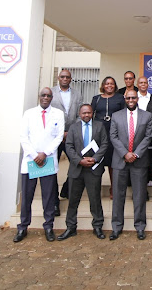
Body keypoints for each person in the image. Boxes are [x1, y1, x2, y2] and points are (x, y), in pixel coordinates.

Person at [14, 87, 65, 243]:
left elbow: (59, 137)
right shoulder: (29, 114)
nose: (46, 98)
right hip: (31, 160)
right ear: (39, 96)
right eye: (43, 95)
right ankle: (23, 226)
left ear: (52, 98)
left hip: (48, 159)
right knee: (27, 196)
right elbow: (23, 137)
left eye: (49, 95)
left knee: (48, 196)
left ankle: (48, 226)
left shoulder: (58, 114)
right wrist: (35, 155)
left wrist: (45, 153)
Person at [58, 104, 109, 241]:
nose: (86, 115)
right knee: (73, 200)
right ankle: (70, 227)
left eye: (89, 113)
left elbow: (105, 144)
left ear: (92, 113)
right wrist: (79, 161)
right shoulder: (73, 128)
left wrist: (95, 159)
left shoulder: (100, 126)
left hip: (93, 169)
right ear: (80, 114)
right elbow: (68, 146)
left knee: (95, 200)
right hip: (77, 169)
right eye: (84, 113)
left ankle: (97, 226)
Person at [109, 89, 152, 241]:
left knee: (139, 195)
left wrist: (135, 154)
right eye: (128, 98)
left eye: (133, 97)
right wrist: (125, 154)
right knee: (118, 195)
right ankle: (116, 227)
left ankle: (140, 227)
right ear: (124, 98)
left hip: (139, 161)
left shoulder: (147, 116)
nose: (131, 100)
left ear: (137, 99)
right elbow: (113, 137)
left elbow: (148, 137)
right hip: (120, 161)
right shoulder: (116, 116)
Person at [51, 69, 83, 205]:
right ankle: (53, 200)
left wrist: (69, 132)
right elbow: (48, 114)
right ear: (59, 78)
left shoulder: (77, 94)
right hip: (54, 137)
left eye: (67, 77)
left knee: (77, 164)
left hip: (71, 135)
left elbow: (80, 114)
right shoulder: (50, 93)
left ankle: (67, 189)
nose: (65, 79)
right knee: (52, 168)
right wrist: (60, 132)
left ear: (71, 79)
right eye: (62, 76)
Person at [92, 76, 126, 200]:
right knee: (98, 162)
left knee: (113, 163)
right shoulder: (96, 99)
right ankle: (96, 189)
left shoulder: (120, 98)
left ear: (115, 85)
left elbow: (124, 115)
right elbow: (91, 115)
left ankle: (113, 188)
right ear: (103, 85)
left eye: (112, 83)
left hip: (114, 133)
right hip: (99, 134)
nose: (109, 86)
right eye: (107, 84)